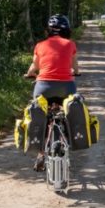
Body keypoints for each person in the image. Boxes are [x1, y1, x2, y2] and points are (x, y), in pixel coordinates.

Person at [25, 14, 80, 171]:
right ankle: (68, 139)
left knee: (41, 115)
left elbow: (33, 67)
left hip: (43, 86)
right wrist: (75, 72)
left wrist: (29, 74)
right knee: (69, 111)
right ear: (67, 30)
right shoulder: (70, 44)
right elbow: (75, 67)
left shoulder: (40, 45)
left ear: (48, 30)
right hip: (67, 86)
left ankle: (41, 153)